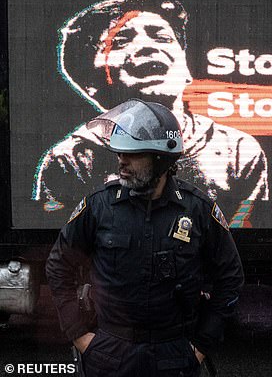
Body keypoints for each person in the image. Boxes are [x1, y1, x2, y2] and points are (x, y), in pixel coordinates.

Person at [46, 99, 244, 377]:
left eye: (133, 154)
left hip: (174, 355)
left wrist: (200, 345)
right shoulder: (99, 206)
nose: (121, 160)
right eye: (119, 153)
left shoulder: (198, 210)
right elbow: (58, 267)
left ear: (161, 160)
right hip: (109, 353)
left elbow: (230, 278)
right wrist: (80, 335)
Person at [33, 0, 268, 227]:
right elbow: (67, 250)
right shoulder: (72, 159)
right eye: (122, 40)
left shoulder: (238, 150)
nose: (147, 46)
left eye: (162, 37)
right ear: (89, 81)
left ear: (185, 65)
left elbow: (236, 239)